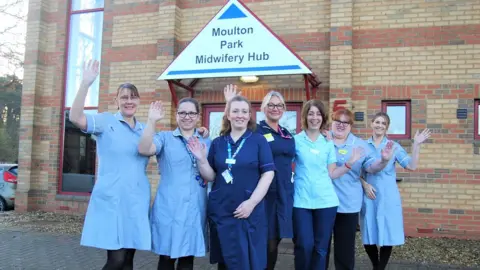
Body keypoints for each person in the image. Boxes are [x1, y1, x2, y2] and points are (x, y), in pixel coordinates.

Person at [70, 60, 151, 270]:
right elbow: (75, 117)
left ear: (139, 101)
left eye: (133, 97)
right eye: (124, 97)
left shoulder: (145, 129)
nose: (129, 101)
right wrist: (85, 84)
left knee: (129, 260)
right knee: (116, 260)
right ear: (116, 101)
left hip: (136, 200)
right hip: (112, 201)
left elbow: (167, 145)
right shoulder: (106, 122)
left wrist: (201, 133)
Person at [188, 95, 275, 270]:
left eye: (244, 111)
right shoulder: (219, 143)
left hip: (248, 212)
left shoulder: (259, 141)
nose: (240, 115)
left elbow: (268, 173)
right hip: (222, 210)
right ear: (228, 115)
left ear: (250, 115)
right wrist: (201, 160)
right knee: (226, 261)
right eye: (235, 111)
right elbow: (212, 176)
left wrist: (252, 202)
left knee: (248, 261)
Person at [223, 85, 295, 270]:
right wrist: (228, 103)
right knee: (265, 241)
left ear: (284, 109)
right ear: (263, 108)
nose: (275, 108)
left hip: (284, 193)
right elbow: (232, 130)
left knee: (277, 238)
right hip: (264, 194)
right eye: (270, 105)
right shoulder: (256, 130)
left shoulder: (287, 134)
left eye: (279, 105)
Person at [137, 97, 211, 270]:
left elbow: (212, 173)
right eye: (182, 112)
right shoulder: (164, 138)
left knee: (187, 260)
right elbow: (143, 149)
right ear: (176, 115)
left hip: (195, 207)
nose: (187, 116)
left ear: (198, 116)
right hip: (169, 207)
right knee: (166, 259)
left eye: (191, 113)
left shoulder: (206, 140)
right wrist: (151, 121)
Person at [292, 100, 364, 270]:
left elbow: (332, 173)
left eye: (318, 114)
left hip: (326, 202)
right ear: (305, 116)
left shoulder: (327, 142)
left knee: (321, 249)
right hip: (301, 201)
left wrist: (349, 164)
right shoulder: (295, 140)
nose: (314, 117)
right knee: (304, 245)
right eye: (311, 113)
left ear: (323, 117)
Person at [324, 109, 395, 270]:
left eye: (345, 122)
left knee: (345, 251)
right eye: (337, 121)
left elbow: (371, 167)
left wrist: (383, 161)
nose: (341, 125)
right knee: (321, 248)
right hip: (322, 202)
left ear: (351, 126)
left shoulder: (360, 145)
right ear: (331, 123)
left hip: (348, 204)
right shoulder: (322, 139)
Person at [360, 112, 431, 270]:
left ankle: (379, 268)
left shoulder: (394, 146)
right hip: (370, 196)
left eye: (383, 123)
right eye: (377, 122)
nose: (379, 125)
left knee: (388, 234)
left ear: (387, 128)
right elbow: (354, 172)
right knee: (368, 234)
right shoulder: (362, 146)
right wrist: (364, 184)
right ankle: (376, 265)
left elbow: (411, 166)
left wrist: (416, 145)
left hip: (388, 196)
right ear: (371, 124)